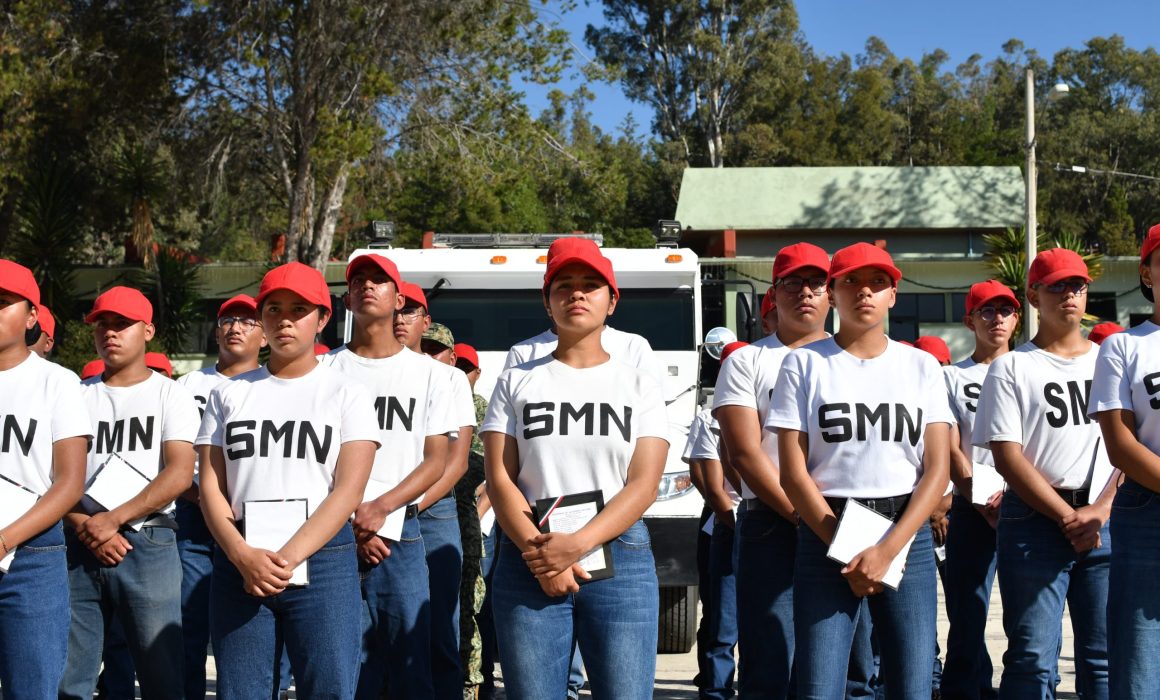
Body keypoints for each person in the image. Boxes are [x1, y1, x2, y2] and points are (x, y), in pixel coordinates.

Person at [481, 237, 669, 699]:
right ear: (547, 303)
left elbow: (644, 484)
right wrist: (541, 555)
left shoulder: (640, 382)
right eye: (564, 286)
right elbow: (500, 477)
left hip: (619, 555)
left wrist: (578, 545)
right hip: (531, 554)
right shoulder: (516, 379)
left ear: (612, 301)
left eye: (591, 285)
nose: (577, 294)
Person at [769, 242, 952, 698]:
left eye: (877, 282)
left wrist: (888, 549)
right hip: (828, 525)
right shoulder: (803, 364)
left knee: (912, 684)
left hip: (907, 531)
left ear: (894, 294)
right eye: (850, 281)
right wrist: (848, 547)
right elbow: (793, 472)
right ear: (831, 292)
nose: (864, 292)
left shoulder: (922, 366)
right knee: (818, 686)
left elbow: (937, 468)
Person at [196, 262, 379, 698]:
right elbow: (210, 486)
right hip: (241, 559)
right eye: (273, 309)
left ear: (323, 317)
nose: (285, 320)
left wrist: (288, 557)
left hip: (323, 561)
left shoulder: (347, 392)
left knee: (329, 690)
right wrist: (241, 554)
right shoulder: (229, 393)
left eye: (299, 309)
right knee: (241, 692)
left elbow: (348, 491)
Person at [974, 248, 1114, 696]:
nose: (1069, 295)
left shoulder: (1112, 358)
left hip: (1105, 516)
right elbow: (1007, 456)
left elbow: (1127, 446)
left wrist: (1100, 510)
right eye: (1057, 286)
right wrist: (1066, 517)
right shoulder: (1012, 366)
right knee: (1032, 655)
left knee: (1104, 654)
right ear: (1033, 296)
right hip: (1034, 522)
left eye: (1077, 286)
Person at [317, 254, 456, 699]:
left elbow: (435, 461)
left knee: (411, 664)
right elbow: (314, 459)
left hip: (401, 531)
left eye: (379, 280)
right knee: (343, 665)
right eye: (358, 280)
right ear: (346, 299)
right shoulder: (323, 371)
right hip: (331, 532)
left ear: (399, 299)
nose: (367, 286)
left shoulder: (434, 375)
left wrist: (381, 509)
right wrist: (353, 519)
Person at [60, 286, 200, 700]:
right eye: (102, 324)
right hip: (79, 538)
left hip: (149, 540)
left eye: (122, 324)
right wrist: (86, 525)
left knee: (161, 676)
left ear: (149, 331)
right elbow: (53, 475)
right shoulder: (76, 394)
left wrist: (111, 520)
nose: (110, 332)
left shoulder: (169, 393)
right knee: (71, 678)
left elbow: (178, 475)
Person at [0, 260, 91, 699]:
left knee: (31, 689)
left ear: (32, 316)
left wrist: (4, 540)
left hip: (32, 557)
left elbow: (70, 484)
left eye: (3, 304)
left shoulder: (57, 382)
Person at [175, 294, 267, 699]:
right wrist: (205, 498)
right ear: (216, 332)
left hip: (258, 520)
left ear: (264, 336)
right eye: (228, 319)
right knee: (188, 624)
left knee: (254, 624)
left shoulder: (273, 384)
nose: (236, 327)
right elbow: (174, 459)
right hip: (195, 518)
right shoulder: (187, 385)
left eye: (248, 321)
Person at [394, 284, 478, 699]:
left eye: (410, 311)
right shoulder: (346, 367)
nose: (399, 317)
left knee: (438, 629)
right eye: (396, 308)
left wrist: (403, 510)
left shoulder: (448, 378)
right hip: (362, 516)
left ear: (426, 322)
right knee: (373, 632)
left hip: (430, 513)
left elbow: (456, 462)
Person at [940, 281, 1019, 700]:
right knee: (967, 615)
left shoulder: (1030, 367)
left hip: (1028, 504)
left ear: (1017, 318)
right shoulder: (952, 376)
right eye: (987, 311)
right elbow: (951, 447)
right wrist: (979, 496)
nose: (998, 319)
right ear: (969, 320)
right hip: (972, 507)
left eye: (1005, 310)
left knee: (1026, 618)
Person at [1090, 223, 1160, 698]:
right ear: (1147, 274)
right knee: (1139, 660)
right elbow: (1119, 442)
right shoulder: (1125, 346)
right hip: (1146, 511)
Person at [452, 341, 491, 700]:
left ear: (477, 373)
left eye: (467, 368)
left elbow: (491, 470)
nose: (460, 374)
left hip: (472, 525)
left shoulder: (482, 409)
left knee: (471, 609)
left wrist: (477, 516)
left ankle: (474, 683)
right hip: (444, 520)